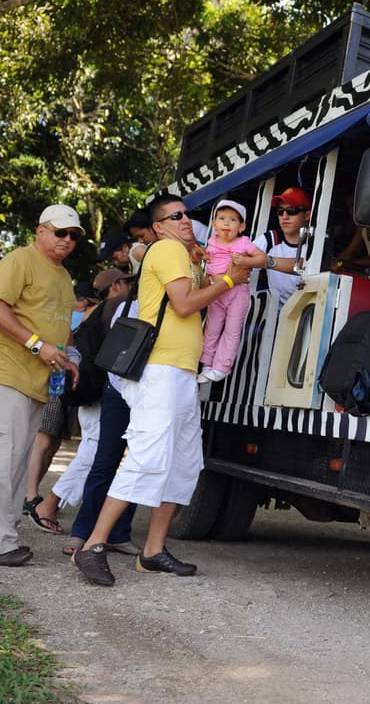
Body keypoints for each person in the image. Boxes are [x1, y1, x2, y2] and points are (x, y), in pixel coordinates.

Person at [73, 195, 248, 586]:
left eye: (187, 214)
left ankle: (152, 551)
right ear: (159, 227)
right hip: (162, 370)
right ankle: (93, 546)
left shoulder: (184, 255)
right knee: (147, 457)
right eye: (176, 216)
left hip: (182, 371)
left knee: (184, 462)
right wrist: (228, 281)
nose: (187, 220)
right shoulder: (167, 248)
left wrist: (207, 267)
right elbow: (185, 305)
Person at [0, 204, 81, 567]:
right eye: (60, 232)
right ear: (40, 230)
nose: (67, 240)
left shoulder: (62, 276)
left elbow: (57, 327)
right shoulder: (19, 260)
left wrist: (68, 357)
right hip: (6, 373)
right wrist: (37, 345)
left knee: (14, 463)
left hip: (38, 382)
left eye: (74, 235)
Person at [28, 269, 132, 541]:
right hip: (96, 391)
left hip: (85, 390)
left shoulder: (92, 314)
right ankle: (49, 504)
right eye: (128, 283)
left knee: (92, 449)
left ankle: (53, 504)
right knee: (94, 451)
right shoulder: (114, 309)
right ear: (116, 286)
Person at [198, 199, 266, 383]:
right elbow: (207, 259)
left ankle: (222, 367)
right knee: (211, 329)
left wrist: (246, 262)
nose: (226, 223)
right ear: (214, 224)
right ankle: (206, 365)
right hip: (215, 292)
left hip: (237, 293)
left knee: (232, 330)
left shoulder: (244, 242)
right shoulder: (211, 242)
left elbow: (262, 258)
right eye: (221, 218)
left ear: (242, 226)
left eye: (233, 220)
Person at [264, 187, 312, 307]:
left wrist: (264, 261)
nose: (284, 216)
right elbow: (241, 256)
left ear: (307, 215)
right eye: (280, 211)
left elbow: (307, 264)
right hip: (272, 318)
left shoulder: (317, 243)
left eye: (292, 210)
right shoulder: (271, 238)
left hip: (304, 319)